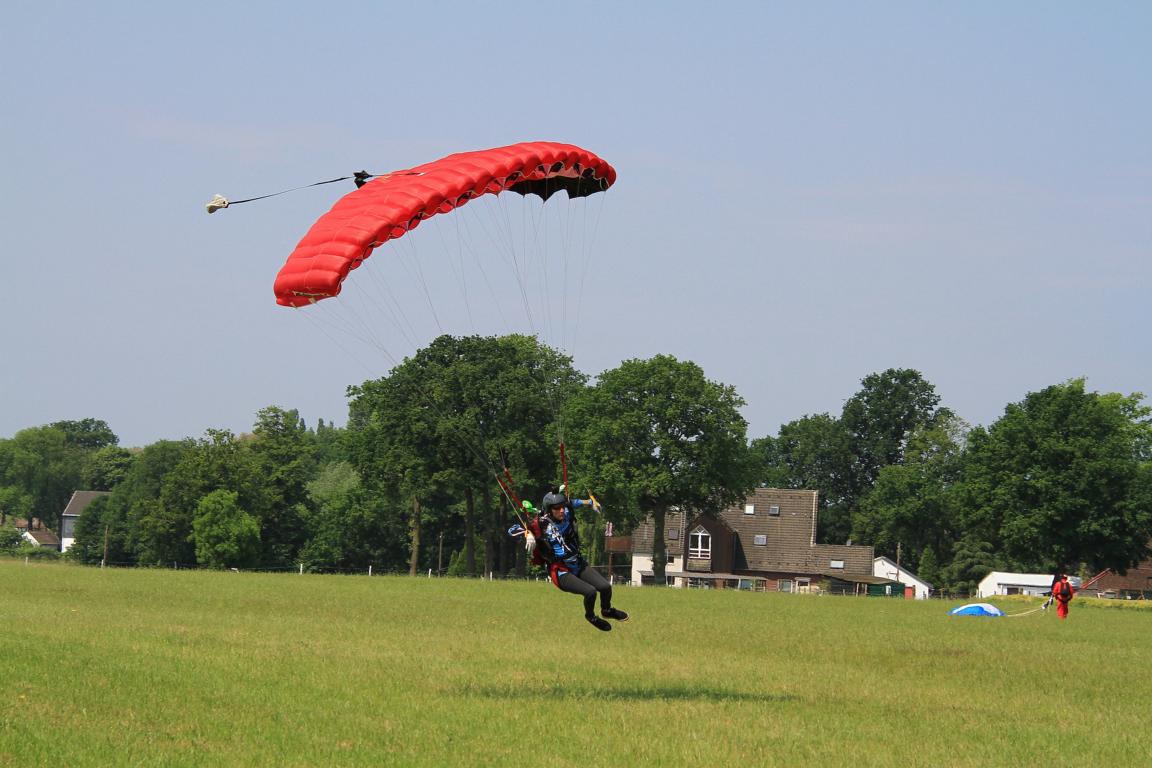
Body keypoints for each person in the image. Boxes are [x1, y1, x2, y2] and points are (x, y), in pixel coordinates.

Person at [528, 490, 629, 631]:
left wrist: (591, 502)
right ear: (549, 510)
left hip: (577, 563)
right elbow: (515, 529)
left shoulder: (566, 511)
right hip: (561, 571)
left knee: (605, 587)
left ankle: (606, 610)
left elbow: (573, 503)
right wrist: (528, 534)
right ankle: (591, 616)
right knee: (590, 592)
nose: (561, 510)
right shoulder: (540, 523)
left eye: (562, 507)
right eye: (557, 508)